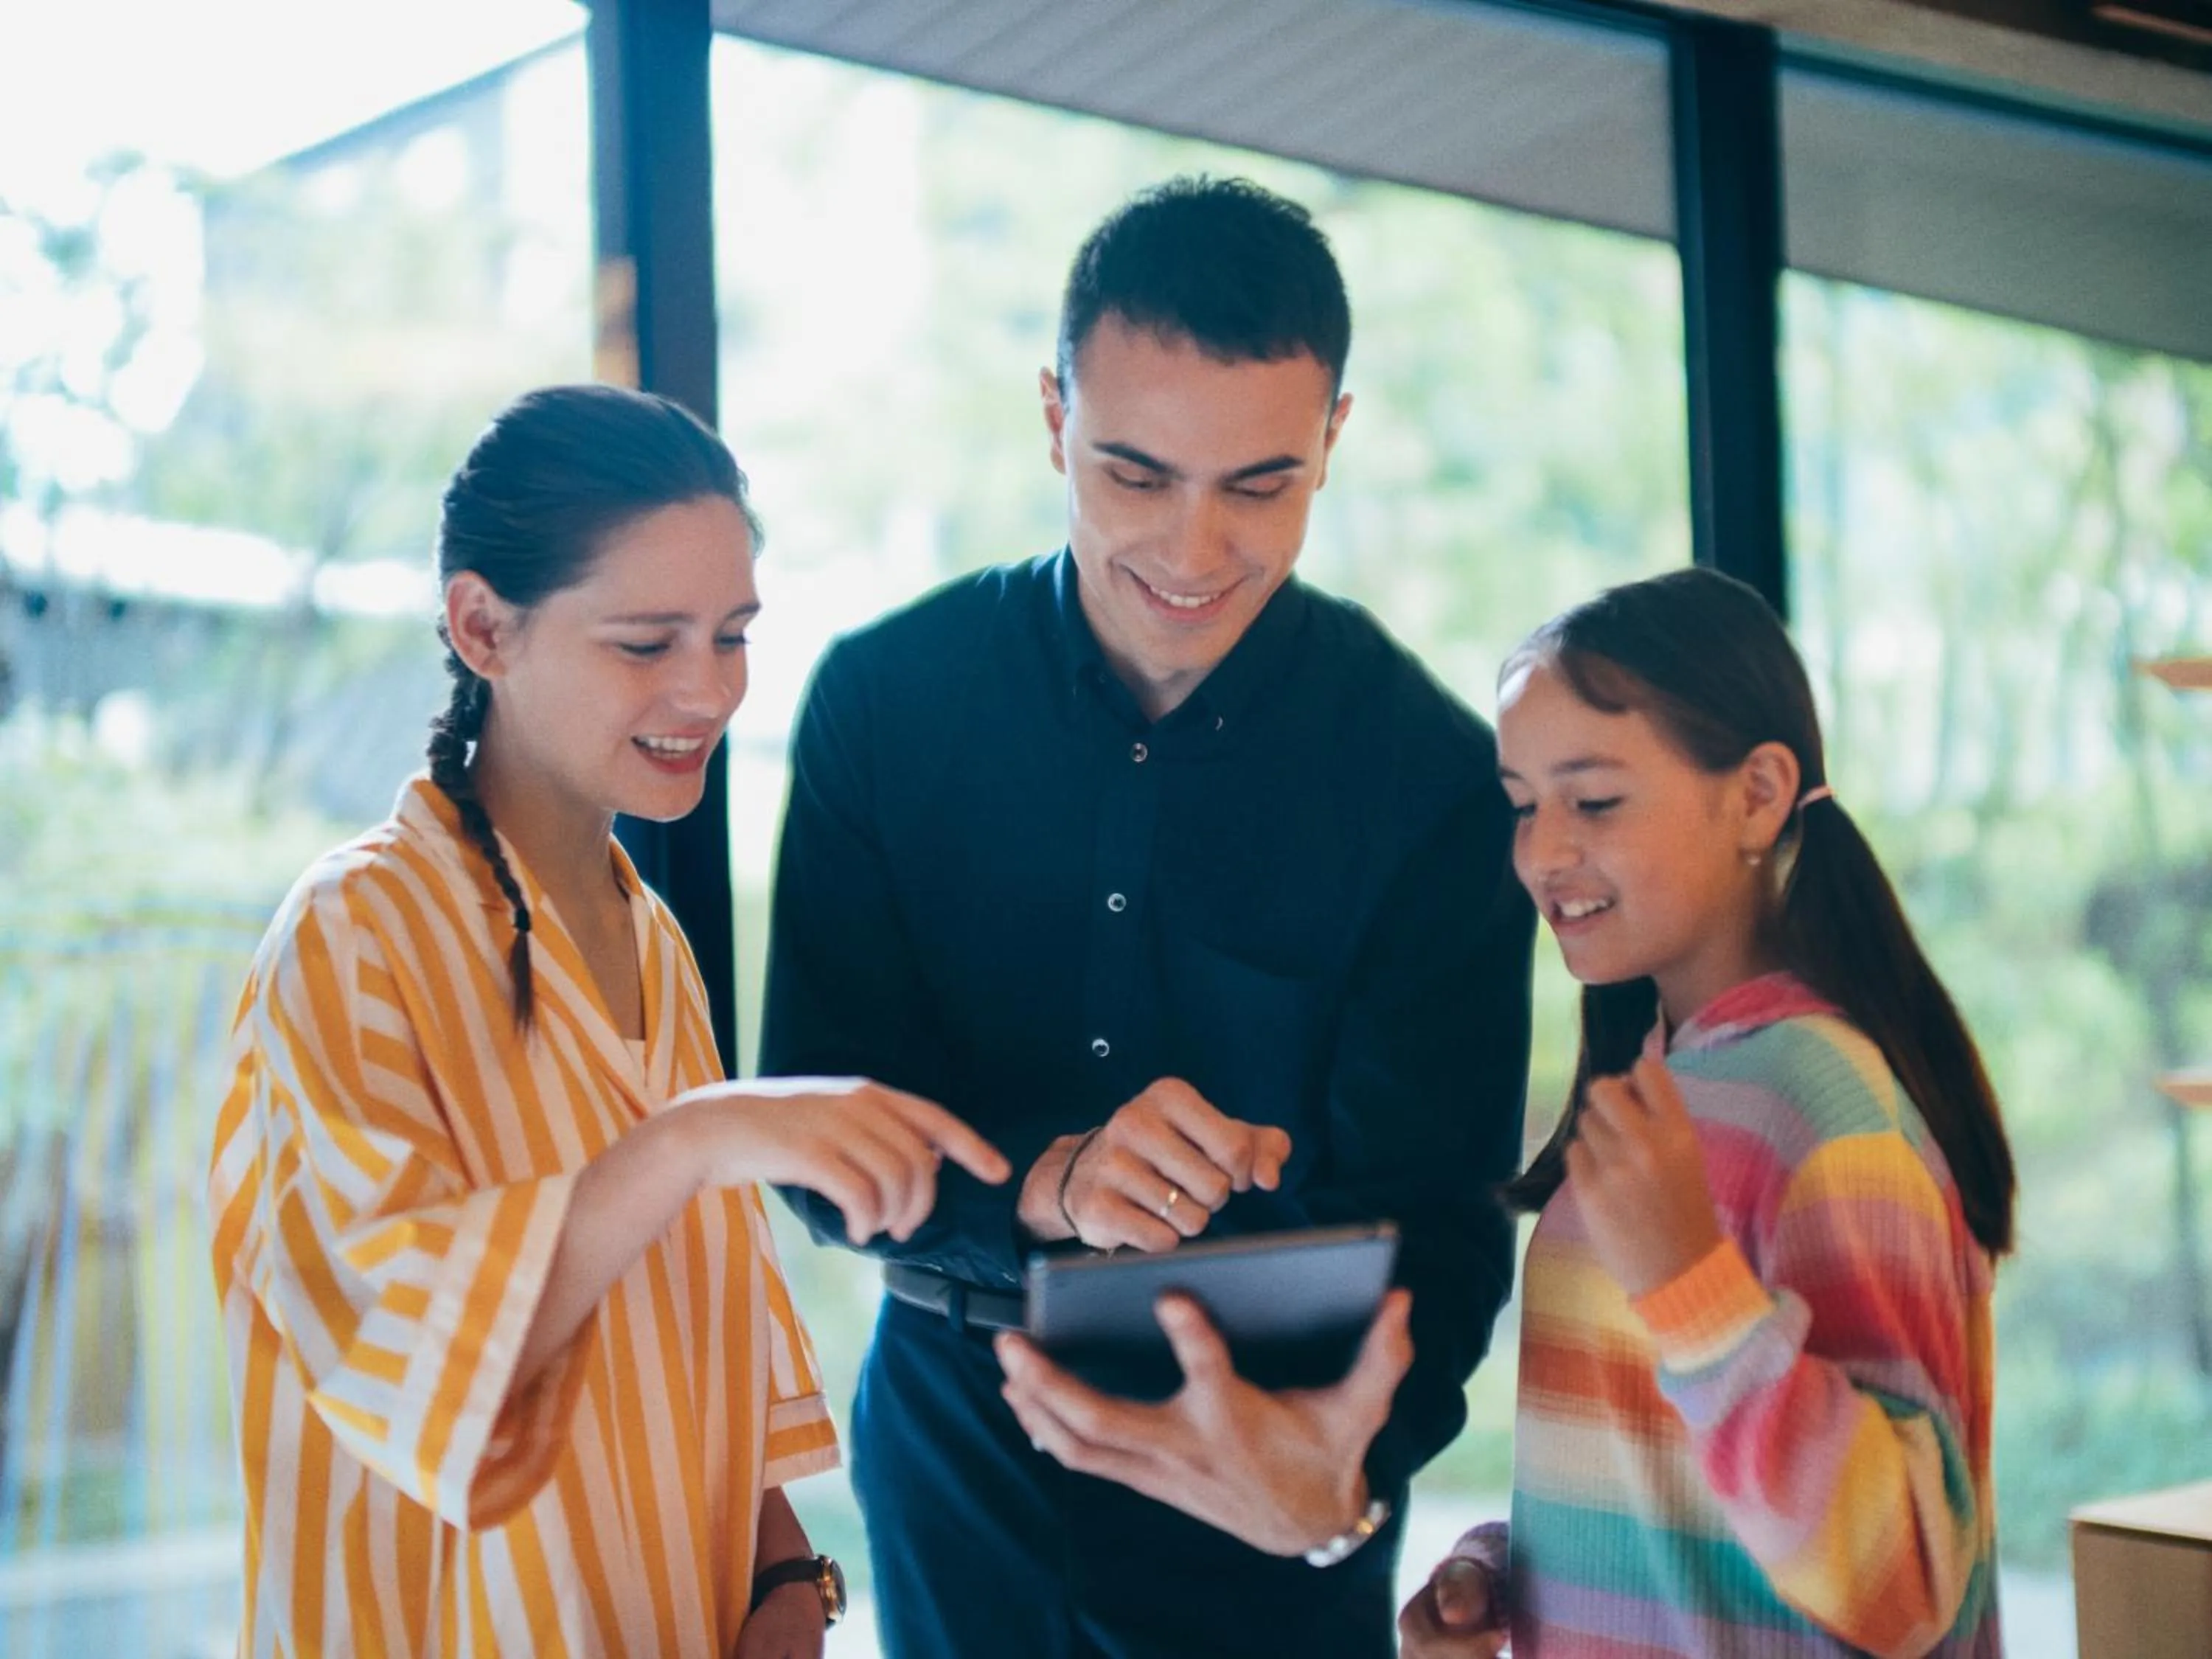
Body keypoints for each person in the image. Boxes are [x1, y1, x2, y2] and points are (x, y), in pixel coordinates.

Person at [759, 175, 1535, 1658]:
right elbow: (808, 1145)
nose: (1193, 552)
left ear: (1334, 441)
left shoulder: (1429, 778)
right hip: (947, 1445)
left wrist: (1337, 1471)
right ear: (1053, 416)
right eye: (1134, 474)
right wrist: (1045, 1182)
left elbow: (1439, 1231)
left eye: (1261, 486)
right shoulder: (882, 703)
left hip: (1261, 1465)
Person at [206, 383, 1008, 1659]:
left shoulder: (654, 941)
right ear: (482, 624)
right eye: (647, 643)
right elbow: (404, 1339)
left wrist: (787, 1573)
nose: (709, 690)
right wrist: (702, 1136)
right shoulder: (352, 933)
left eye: (733, 635)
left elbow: (708, 1330)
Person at [1394, 566, 2014, 1657]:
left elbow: (1905, 1579)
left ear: (1761, 793)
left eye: (1594, 801)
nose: (1541, 853)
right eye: (1522, 804)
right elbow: (1693, 1477)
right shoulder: (1665, 1077)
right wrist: (1512, 1566)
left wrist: (1694, 1291)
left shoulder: (1824, 1108)